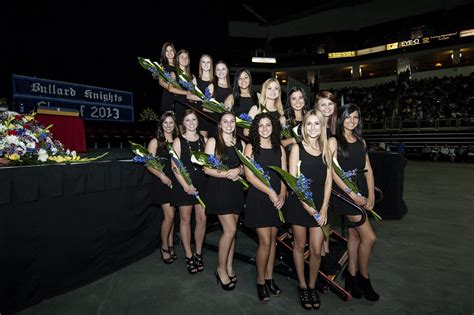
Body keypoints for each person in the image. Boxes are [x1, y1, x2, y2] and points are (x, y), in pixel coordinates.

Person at [329, 103, 379, 301]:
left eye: (356, 117)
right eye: (348, 117)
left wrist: (372, 195)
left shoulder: (361, 140)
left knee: (355, 237)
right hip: (345, 195)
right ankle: (364, 278)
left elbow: (368, 169)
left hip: (362, 193)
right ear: (341, 118)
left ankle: (350, 276)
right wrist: (352, 194)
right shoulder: (334, 141)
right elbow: (333, 172)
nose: (352, 120)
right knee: (370, 238)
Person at [286, 109, 332, 310]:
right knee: (299, 245)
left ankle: (312, 285)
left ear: (322, 127)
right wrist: (307, 206)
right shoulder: (297, 148)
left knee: (315, 250)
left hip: (319, 206)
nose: (312, 128)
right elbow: (293, 183)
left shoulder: (326, 149)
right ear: (303, 127)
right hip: (299, 204)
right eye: (308, 124)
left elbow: (329, 182)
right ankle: (302, 285)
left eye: (316, 124)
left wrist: (323, 209)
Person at [243, 112, 287, 303]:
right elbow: (249, 176)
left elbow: (285, 175)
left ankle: (269, 278)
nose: (264, 129)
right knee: (265, 242)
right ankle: (260, 282)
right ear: (255, 128)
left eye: (268, 125)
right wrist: (270, 192)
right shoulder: (251, 147)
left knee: (273, 240)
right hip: (259, 198)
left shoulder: (280, 148)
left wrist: (283, 194)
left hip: (277, 199)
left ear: (273, 127)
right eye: (260, 126)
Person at [203, 112, 246, 291]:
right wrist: (228, 173)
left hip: (236, 191)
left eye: (232, 122)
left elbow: (246, 168)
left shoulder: (240, 143)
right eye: (225, 122)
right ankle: (221, 269)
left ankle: (229, 266)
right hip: (219, 190)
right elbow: (206, 169)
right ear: (220, 124)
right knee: (230, 230)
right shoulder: (213, 142)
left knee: (232, 232)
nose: (229, 124)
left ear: (235, 125)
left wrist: (239, 170)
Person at [171, 109, 208, 274]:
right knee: (185, 220)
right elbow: (174, 166)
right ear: (183, 123)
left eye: (194, 119)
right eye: (187, 120)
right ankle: (188, 254)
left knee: (202, 220)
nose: (191, 122)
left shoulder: (204, 140)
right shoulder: (178, 141)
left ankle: (198, 253)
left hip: (203, 184)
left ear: (198, 122)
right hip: (184, 186)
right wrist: (185, 186)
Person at [147, 111, 180, 264]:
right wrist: (161, 176)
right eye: (165, 122)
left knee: (172, 215)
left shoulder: (178, 141)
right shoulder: (155, 142)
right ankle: (164, 246)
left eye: (171, 123)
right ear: (161, 125)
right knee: (170, 216)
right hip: (162, 182)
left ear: (175, 125)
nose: (168, 125)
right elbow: (149, 164)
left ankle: (171, 243)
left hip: (176, 182)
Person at [314, 90, 340, 277]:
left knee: (327, 219)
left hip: (332, 176)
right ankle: (323, 256)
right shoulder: (315, 124)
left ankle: (326, 252)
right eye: (323, 104)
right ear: (316, 107)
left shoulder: (335, 124)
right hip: (320, 176)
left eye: (330, 104)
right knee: (323, 218)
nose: (327, 107)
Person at [187, 54, 215, 138]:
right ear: (200, 64)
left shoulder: (214, 82)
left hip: (208, 116)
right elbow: (189, 96)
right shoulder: (195, 80)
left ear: (211, 65)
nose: (206, 64)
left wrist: (198, 98)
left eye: (208, 62)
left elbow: (210, 102)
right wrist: (204, 99)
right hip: (196, 114)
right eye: (203, 62)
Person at [224, 68, 258, 137]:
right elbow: (225, 117)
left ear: (250, 79)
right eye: (240, 78)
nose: (243, 80)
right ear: (237, 81)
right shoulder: (231, 97)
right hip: (237, 135)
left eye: (246, 77)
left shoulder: (258, 96)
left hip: (254, 134)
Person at [168, 49, 195, 131]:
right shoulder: (174, 73)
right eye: (182, 57)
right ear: (177, 59)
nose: (184, 59)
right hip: (180, 104)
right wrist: (187, 92)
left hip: (191, 106)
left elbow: (194, 91)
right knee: (182, 132)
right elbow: (170, 88)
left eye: (186, 57)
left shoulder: (192, 76)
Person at [210, 60, 232, 137]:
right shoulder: (212, 86)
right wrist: (221, 108)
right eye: (218, 69)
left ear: (227, 71)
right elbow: (204, 107)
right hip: (215, 123)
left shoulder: (232, 89)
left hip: (229, 125)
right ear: (215, 72)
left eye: (223, 69)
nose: (221, 72)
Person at [156, 42, 177, 114]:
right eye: (167, 51)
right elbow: (161, 82)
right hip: (168, 97)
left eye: (171, 50)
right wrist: (174, 90)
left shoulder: (179, 66)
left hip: (180, 100)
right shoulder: (163, 66)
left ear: (174, 51)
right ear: (164, 53)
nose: (169, 53)